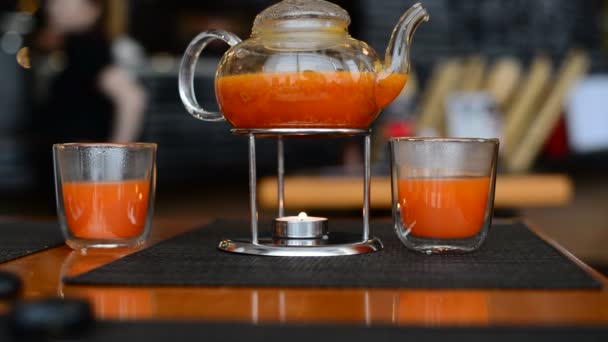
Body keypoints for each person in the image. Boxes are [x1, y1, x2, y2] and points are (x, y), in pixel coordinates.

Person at [33, 0, 146, 143]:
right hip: (75, 159)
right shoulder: (73, 46)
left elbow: (132, 98)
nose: (51, 7)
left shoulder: (87, 47)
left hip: (82, 160)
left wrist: (115, 158)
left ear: (93, 9)